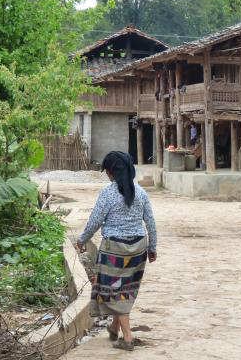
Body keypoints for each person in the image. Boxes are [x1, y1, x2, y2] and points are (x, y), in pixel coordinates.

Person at [76, 151, 157, 352]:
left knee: (115, 292)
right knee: (125, 289)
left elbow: (94, 221)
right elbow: (150, 222)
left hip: (114, 250)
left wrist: (82, 240)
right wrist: (152, 247)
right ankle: (114, 327)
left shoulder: (108, 194)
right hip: (138, 249)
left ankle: (128, 337)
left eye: (107, 172)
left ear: (112, 173)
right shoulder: (141, 193)